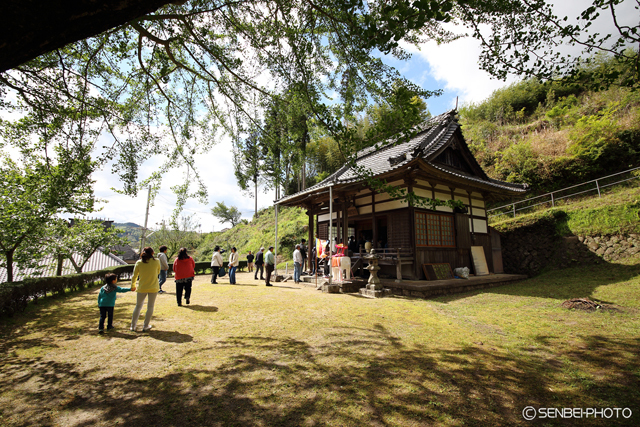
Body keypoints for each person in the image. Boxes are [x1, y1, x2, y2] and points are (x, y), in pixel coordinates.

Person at [130, 247, 161, 332]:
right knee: (150, 306)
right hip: (153, 287)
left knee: (138, 306)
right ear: (152, 253)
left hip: (142, 287)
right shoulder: (156, 261)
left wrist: (133, 285)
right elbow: (158, 272)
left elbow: (134, 276)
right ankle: (146, 325)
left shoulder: (139, 262)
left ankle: (133, 326)